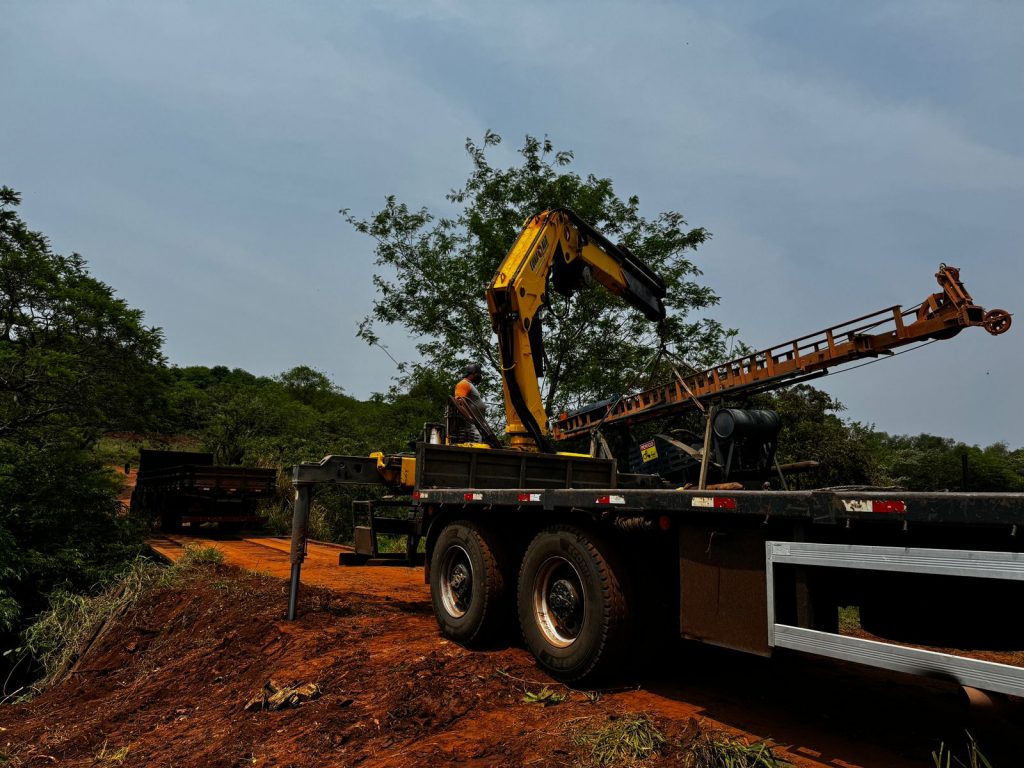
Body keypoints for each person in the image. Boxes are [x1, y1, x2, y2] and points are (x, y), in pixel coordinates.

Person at [452, 363, 485, 442]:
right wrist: (470, 419)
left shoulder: (470, 385)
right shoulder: (463, 384)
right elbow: (459, 403)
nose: (479, 376)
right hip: (471, 425)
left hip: (476, 424)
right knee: (475, 447)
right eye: (478, 374)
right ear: (473, 373)